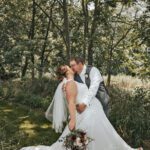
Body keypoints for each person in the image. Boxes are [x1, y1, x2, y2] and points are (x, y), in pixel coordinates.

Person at [20, 65, 143, 150]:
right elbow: (71, 102)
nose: (72, 68)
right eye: (69, 67)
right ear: (66, 71)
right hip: (88, 114)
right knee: (96, 135)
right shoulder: (70, 83)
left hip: (92, 111)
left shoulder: (68, 83)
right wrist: (73, 120)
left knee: (105, 134)